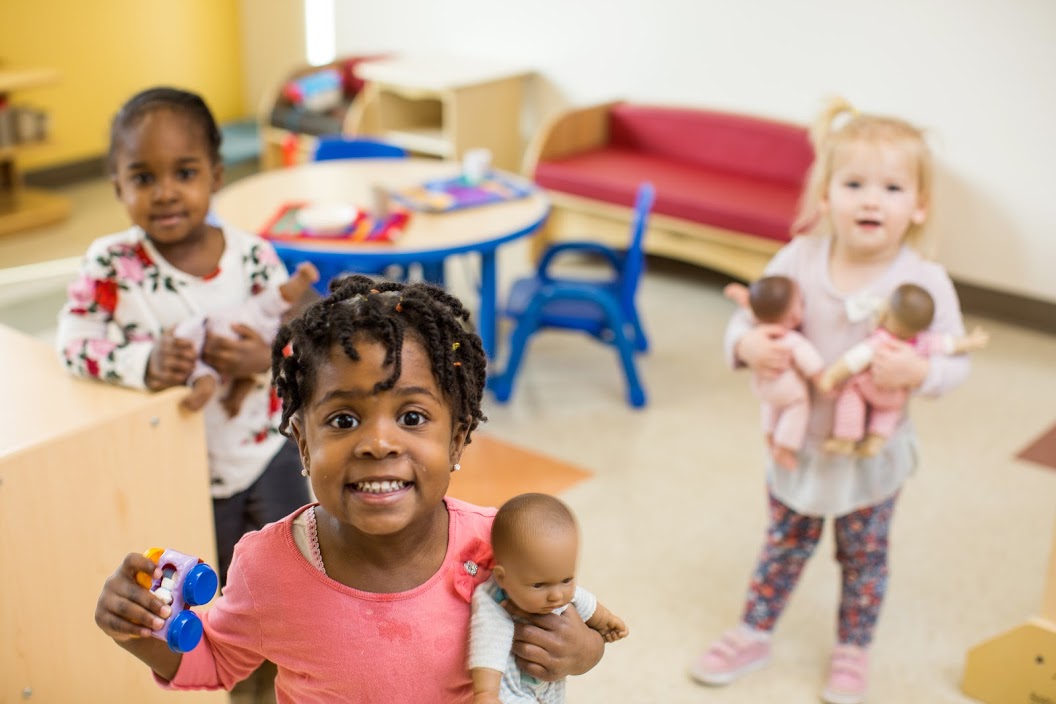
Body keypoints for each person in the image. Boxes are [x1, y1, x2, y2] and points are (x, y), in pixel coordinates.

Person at [93, 275, 607, 702]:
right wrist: (140, 630)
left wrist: (582, 651)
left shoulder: (499, 543)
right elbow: (218, 660)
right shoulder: (267, 566)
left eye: (411, 416)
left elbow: (566, 614)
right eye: (342, 419)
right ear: (302, 444)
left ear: (456, 440)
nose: (378, 443)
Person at [690, 97, 974, 704]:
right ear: (826, 199)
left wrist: (920, 368)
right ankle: (754, 629)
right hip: (799, 446)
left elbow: (957, 364)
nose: (871, 200)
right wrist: (750, 349)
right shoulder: (798, 259)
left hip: (873, 455)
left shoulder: (924, 281)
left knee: (864, 556)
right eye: (854, 184)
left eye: (892, 187)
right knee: (784, 542)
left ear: (918, 204)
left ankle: (852, 648)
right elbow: (744, 322)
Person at [55, 86, 311, 589]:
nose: (166, 191)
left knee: (289, 569)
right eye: (143, 177)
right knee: (202, 588)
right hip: (174, 468)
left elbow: (301, 340)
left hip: (266, 451)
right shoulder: (111, 265)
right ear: (117, 186)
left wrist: (264, 358)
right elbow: (74, 339)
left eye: (185, 173)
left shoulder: (252, 255)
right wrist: (144, 362)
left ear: (215, 175)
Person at [469, 493, 628, 703]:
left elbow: (581, 597)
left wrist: (603, 619)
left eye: (566, 579)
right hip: (512, 689)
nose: (556, 595)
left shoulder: (555, 588)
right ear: (502, 577)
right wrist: (486, 693)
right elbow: (489, 644)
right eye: (538, 585)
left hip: (551, 687)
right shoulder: (493, 601)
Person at [818, 283, 989, 457]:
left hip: (868, 387)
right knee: (889, 413)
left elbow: (854, 360)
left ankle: (846, 439)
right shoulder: (923, 341)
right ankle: (875, 441)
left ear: (889, 317)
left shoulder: (881, 340)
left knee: (850, 397)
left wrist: (831, 376)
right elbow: (948, 343)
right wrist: (970, 342)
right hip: (895, 395)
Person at [176, 260, 320, 415]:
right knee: (185, 334)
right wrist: (302, 280)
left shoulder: (275, 345)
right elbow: (284, 295)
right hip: (207, 328)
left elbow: (248, 376)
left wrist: (236, 397)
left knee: (204, 374)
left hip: (211, 362)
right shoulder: (266, 312)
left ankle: (204, 384)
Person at [723, 276, 824, 470]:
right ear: (793, 317)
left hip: (762, 383)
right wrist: (821, 380)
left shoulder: (759, 324)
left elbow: (750, 309)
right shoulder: (788, 337)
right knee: (797, 405)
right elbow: (809, 360)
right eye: (801, 303)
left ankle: (769, 433)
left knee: (771, 405)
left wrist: (741, 295)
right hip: (785, 385)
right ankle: (784, 447)